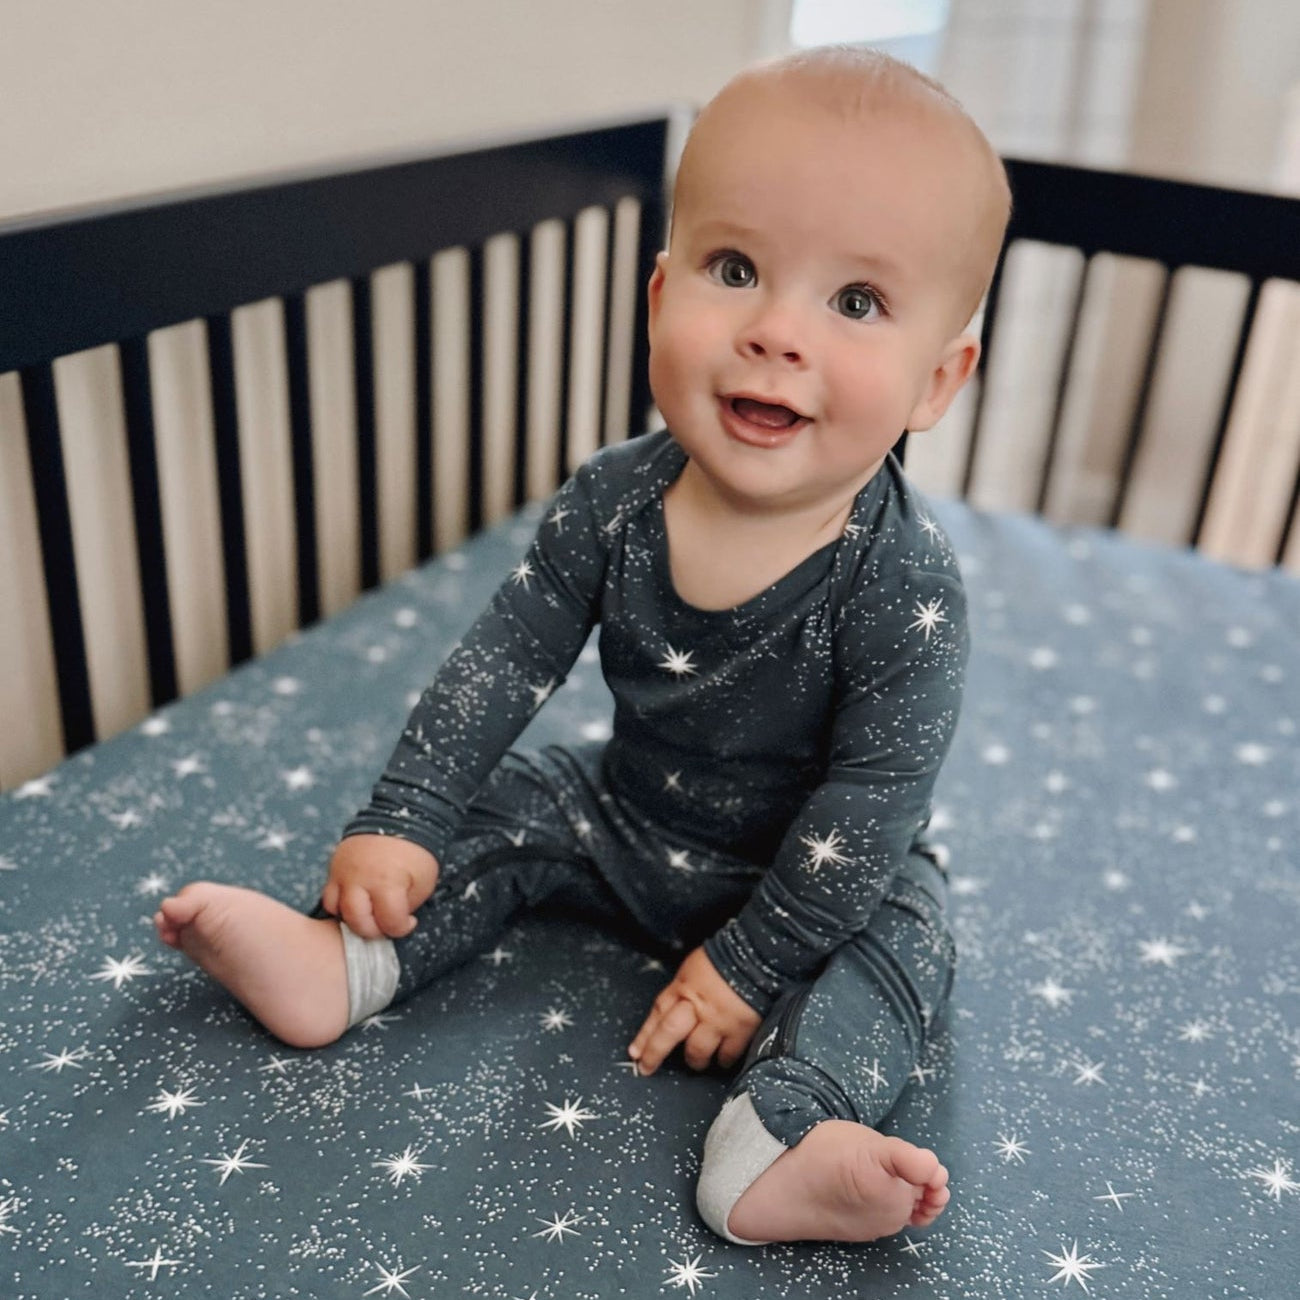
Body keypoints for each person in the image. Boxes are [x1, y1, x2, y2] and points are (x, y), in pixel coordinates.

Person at [154, 44, 1011, 1246]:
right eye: (734, 269)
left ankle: (790, 1131)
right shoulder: (611, 502)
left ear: (937, 380)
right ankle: (340, 961)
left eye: (855, 302)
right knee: (509, 805)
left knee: (903, 943)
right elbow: (501, 661)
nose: (775, 331)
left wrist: (751, 962)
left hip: (809, 885)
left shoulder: (901, 583)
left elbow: (870, 802)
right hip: (622, 816)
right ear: (659, 299)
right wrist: (403, 818)